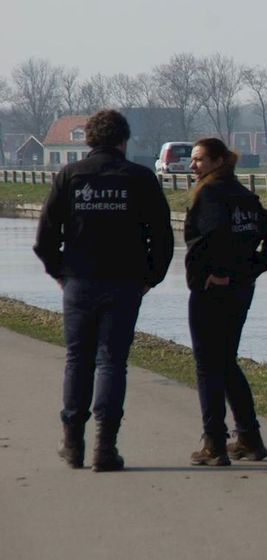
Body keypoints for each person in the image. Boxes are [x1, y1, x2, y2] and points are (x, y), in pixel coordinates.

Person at [33, 109, 174, 471]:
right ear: (124, 141)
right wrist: (150, 277)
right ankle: (105, 447)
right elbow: (161, 236)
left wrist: (58, 272)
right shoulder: (140, 178)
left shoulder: (70, 176)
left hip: (79, 280)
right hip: (125, 281)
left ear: (90, 140)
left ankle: (72, 444)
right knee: (112, 361)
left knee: (77, 360)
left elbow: (46, 235)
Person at [185, 137, 267, 466]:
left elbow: (210, 239)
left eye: (199, 159)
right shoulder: (244, 197)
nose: (192, 165)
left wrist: (213, 275)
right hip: (240, 290)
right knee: (226, 362)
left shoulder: (212, 194)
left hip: (212, 291)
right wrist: (248, 272)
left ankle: (214, 443)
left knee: (207, 365)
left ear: (217, 162)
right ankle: (249, 438)